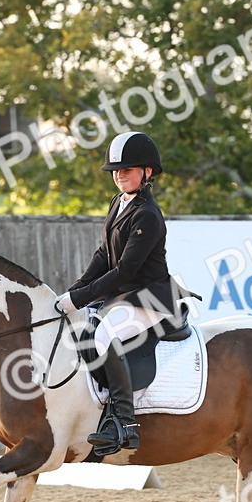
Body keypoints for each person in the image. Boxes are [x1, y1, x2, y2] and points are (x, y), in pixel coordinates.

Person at [56, 131, 179, 455]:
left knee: (102, 336)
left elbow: (125, 269)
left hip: (149, 296)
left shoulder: (147, 215)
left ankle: (124, 422)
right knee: (81, 329)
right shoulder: (119, 202)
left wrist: (80, 299)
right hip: (124, 295)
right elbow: (103, 255)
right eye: (116, 170)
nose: (120, 175)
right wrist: (76, 289)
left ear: (147, 172)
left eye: (127, 169)